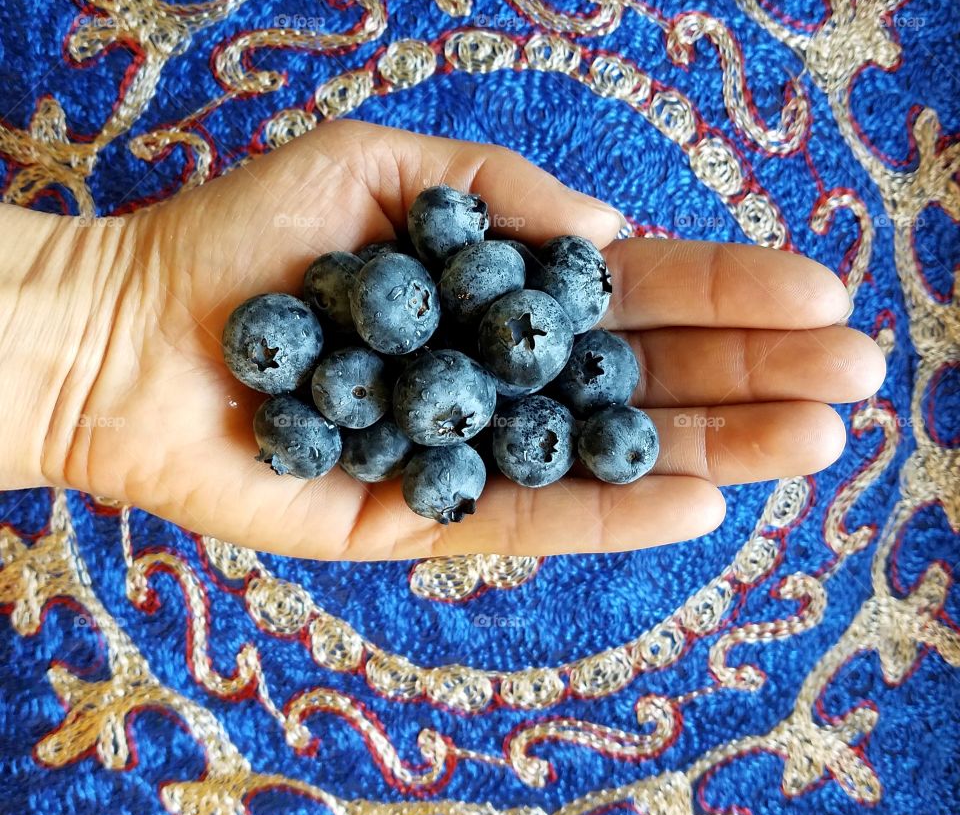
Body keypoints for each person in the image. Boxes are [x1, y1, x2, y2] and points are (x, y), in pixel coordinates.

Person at [0, 121, 885, 559]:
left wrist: (99, 317)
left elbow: (472, 382)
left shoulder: (507, 365)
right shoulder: (370, 347)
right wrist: (107, 307)